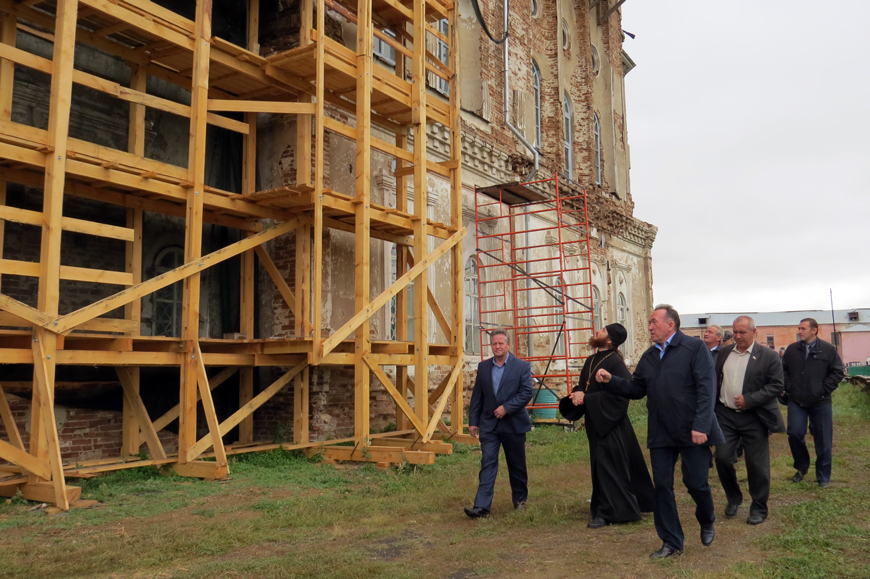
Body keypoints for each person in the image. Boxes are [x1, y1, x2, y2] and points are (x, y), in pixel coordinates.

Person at [596, 304, 724, 559]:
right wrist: (612, 381)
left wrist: (700, 426)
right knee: (663, 487)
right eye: (649, 322)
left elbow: (706, 389)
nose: (650, 327)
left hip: (692, 430)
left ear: (670, 325)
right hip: (661, 432)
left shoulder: (694, 348)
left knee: (696, 483)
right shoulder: (650, 356)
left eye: (654, 322)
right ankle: (671, 541)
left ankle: (707, 517)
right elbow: (636, 389)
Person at [561, 323, 654, 529]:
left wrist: (587, 399)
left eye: (602, 330)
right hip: (596, 422)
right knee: (601, 466)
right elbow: (585, 386)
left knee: (607, 467)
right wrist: (577, 394)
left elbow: (622, 396)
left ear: (610, 340)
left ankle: (608, 512)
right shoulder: (592, 359)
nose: (597, 331)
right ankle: (613, 506)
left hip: (611, 424)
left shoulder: (615, 362)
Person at [713, 316, 784, 525]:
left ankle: (759, 507)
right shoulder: (724, 353)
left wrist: (749, 400)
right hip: (725, 415)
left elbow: (776, 385)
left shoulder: (768, 356)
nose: (737, 336)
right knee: (722, 458)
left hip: (754, 417)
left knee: (757, 465)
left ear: (754, 332)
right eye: (735, 332)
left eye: (742, 332)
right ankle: (733, 497)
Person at [465, 328, 534, 518]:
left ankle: (519, 501)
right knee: (487, 463)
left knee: (516, 465)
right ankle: (481, 507)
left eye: (500, 343)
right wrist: (473, 421)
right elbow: (477, 396)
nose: (497, 347)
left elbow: (526, 393)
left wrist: (507, 408)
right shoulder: (484, 367)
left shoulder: (521, 367)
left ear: (508, 345)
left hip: (513, 424)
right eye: (494, 343)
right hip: (489, 425)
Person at [781, 318, 844, 488]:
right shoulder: (792, 349)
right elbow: (783, 369)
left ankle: (823, 476)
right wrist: (789, 386)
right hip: (797, 400)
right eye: (799, 328)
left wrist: (823, 389)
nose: (799, 331)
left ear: (814, 330)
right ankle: (802, 467)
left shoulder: (827, 349)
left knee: (823, 439)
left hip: (820, 402)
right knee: (794, 433)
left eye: (803, 328)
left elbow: (838, 372)